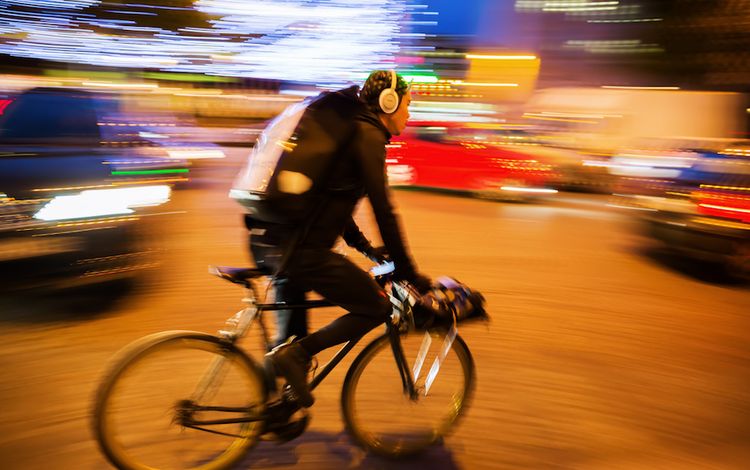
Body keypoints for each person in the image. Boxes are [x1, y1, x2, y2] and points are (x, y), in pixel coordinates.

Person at [245, 70, 430, 408]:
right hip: (301, 253)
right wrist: (407, 270)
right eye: (406, 104)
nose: (409, 113)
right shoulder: (368, 134)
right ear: (387, 103)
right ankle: (293, 357)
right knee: (375, 306)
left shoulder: (347, 130)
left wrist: (366, 249)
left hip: (271, 241)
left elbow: (330, 199)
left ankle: (269, 414)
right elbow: (383, 208)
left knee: (287, 351)